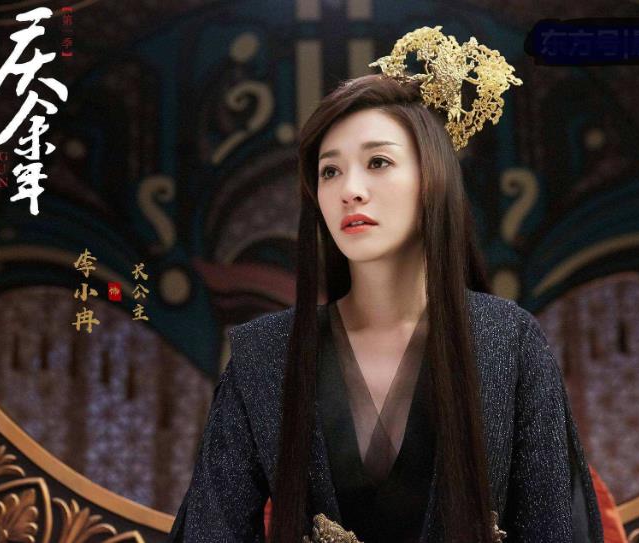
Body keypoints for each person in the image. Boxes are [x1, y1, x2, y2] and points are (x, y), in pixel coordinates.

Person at [169, 26, 604, 543]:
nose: (350, 190)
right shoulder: (266, 355)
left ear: (432, 179)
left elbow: (555, 527)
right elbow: (211, 530)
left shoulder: (509, 341)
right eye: (330, 172)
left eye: (378, 162)